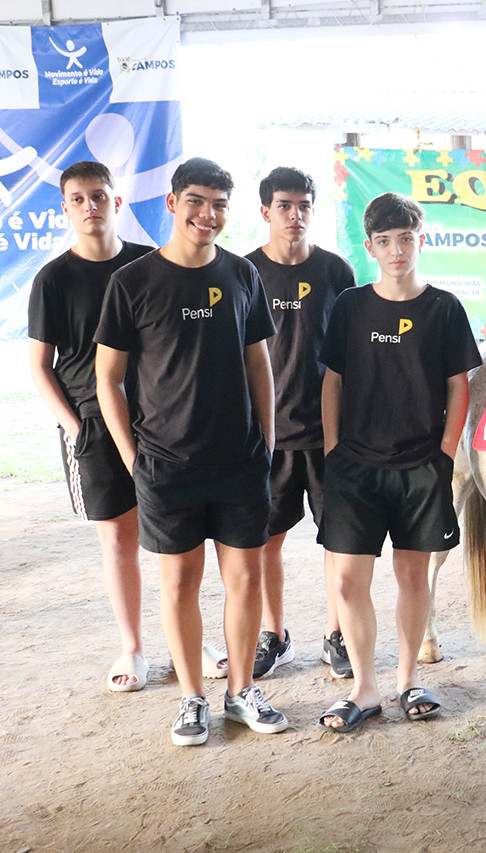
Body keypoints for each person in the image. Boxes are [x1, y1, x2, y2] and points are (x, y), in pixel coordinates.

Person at [95, 157, 287, 746]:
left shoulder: (240, 274)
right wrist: (132, 459)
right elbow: (108, 379)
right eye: (198, 201)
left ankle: (241, 692)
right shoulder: (132, 281)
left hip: (239, 459)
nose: (209, 214)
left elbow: (259, 359)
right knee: (179, 584)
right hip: (166, 464)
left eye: (220, 204)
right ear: (174, 203)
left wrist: (268, 439)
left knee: (246, 580)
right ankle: (191, 699)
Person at [317, 192, 480, 733]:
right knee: (346, 583)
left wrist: (447, 452)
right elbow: (333, 381)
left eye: (405, 239)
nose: (396, 250)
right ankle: (364, 689)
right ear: (369, 247)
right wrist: (333, 450)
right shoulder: (350, 306)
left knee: (414, 575)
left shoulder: (444, 308)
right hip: (354, 466)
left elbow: (460, 387)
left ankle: (409, 678)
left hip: (421, 464)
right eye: (384, 242)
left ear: (420, 240)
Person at [28, 161, 152, 693]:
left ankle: (189, 638)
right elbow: (39, 365)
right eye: (77, 199)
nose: (89, 206)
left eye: (99, 195)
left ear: (117, 202)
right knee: (119, 540)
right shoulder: (52, 279)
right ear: (65, 208)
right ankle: (133, 646)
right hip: (93, 425)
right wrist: (75, 429)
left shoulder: (149, 265)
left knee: (176, 535)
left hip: (156, 418)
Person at [246, 167, 357, 679]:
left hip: (331, 435)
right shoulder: (243, 272)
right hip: (266, 439)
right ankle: (275, 635)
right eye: (285, 205)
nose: (295, 215)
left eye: (304, 205)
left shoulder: (337, 271)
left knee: (339, 539)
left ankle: (337, 634)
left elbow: (352, 356)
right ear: (266, 211)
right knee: (266, 539)